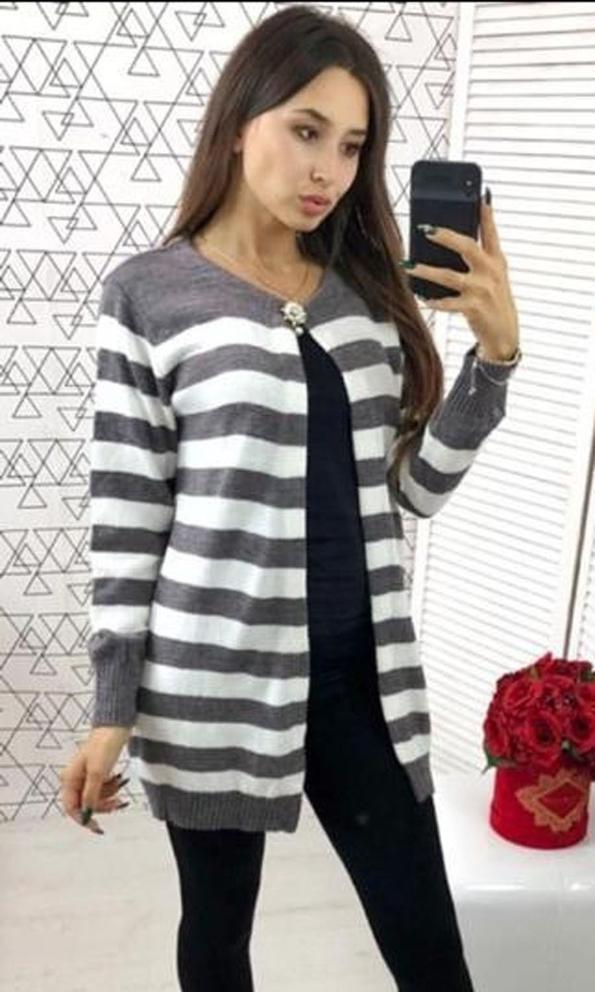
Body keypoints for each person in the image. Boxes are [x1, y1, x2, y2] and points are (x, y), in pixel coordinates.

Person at [60, 4, 522, 990]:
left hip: (362, 680)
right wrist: (111, 708)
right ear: (240, 121)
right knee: (217, 931)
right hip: (210, 683)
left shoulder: (363, 297)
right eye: (306, 131)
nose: (328, 171)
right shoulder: (148, 295)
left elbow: (413, 491)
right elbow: (129, 522)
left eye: (351, 147)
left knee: (429, 949)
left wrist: (493, 360)